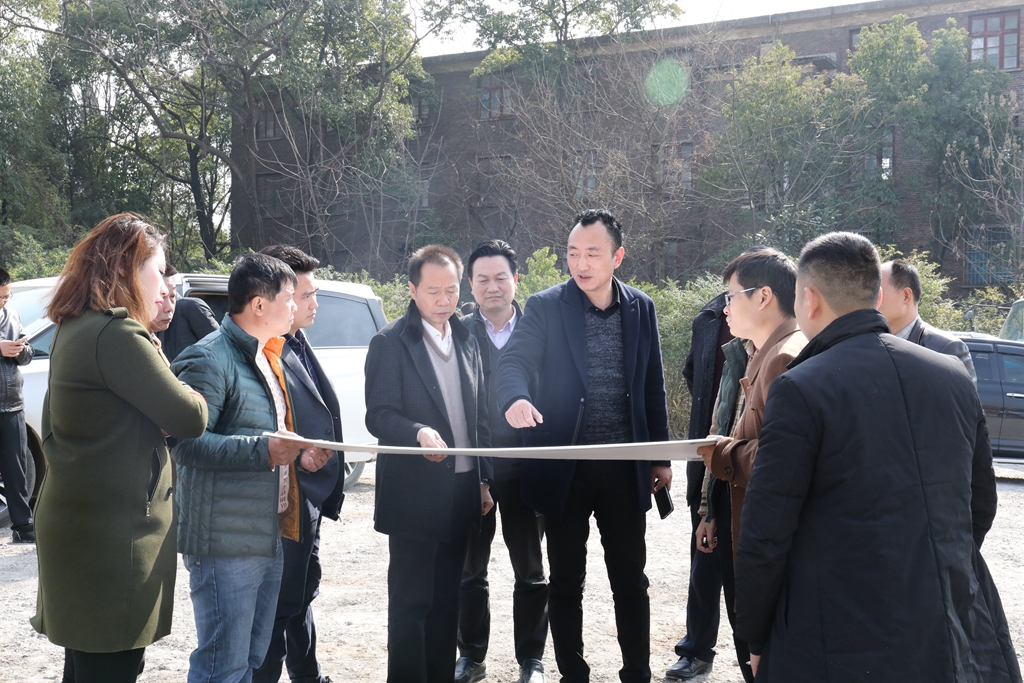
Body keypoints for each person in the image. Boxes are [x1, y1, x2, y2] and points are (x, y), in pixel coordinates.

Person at [735, 232, 1022, 682]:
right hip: (947, 625)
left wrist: (755, 635)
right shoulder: (950, 375)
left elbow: (767, 529)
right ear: (876, 296)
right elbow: (980, 502)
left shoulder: (801, 387)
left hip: (837, 631)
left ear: (810, 299)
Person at [30, 214, 209, 682]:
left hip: (84, 525)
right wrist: (190, 395)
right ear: (129, 268)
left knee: (86, 665)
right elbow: (189, 418)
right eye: (159, 270)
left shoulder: (77, 325)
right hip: (112, 537)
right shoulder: (117, 334)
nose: (165, 286)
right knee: (111, 666)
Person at [495, 209, 671, 683]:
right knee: (566, 581)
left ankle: (637, 672)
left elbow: (651, 386)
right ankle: (573, 673)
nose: (581, 263)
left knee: (630, 580)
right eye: (573, 253)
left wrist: (659, 457)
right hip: (564, 469)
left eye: (593, 253)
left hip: (624, 468)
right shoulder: (546, 306)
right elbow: (513, 363)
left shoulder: (641, 307)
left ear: (618, 256)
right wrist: (515, 398)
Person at [172, 253, 333, 683]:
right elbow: (186, 444)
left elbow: (265, 437)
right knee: (221, 665)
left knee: (250, 661)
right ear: (259, 305)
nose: (296, 306)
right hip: (224, 541)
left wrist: (299, 457)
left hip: (265, 532)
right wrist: (264, 452)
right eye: (289, 297)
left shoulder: (268, 353)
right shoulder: (208, 358)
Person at [364, 244, 494, 683]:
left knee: (446, 601)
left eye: (451, 290)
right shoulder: (389, 342)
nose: (443, 300)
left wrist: (483, 481)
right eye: (433, 291)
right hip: (414, 495)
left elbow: (479, 417)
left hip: (461, 490)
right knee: (411, 603)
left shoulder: (467, 338)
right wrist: (417, 431)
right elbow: (379, 414)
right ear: (412, 290)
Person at [692, 247, 805, 683]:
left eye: (731, 296)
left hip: (763, 532)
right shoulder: (759, 352)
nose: (724, 308)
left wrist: (718, 451)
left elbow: (780, 461)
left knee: (763, 653)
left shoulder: (785, 358)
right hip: (742, 515)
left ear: (763, 297)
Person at [456, 240, 548, 683]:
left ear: (516, 280)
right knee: (469, 571)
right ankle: (471, 656)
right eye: (482, 279)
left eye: (500, 278)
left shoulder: (540, 331)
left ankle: (532, 660)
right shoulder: (456, 334)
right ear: (470, 285)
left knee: (531, 570)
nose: (492, 287)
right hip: (475, 470)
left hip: (527, 470)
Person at [253, 245, 346, 683]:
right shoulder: (263, 353)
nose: (312, 304)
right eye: (304, 295)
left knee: (301, 592)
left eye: (312, 294)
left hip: (309, 492)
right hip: (283, 497)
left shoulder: (297, 341)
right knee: (278, 604)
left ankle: (308, 675)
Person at [665, 292, 732, 680]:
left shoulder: (790, 318)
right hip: (707, 453)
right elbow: (694, 373)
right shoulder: (709, 317)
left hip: (757, 460)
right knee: (705, 552)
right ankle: (696, 649)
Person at [878, 259, 977, 383]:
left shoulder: (946, 349)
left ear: (906, 296)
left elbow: (962, 396)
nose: (871, 299)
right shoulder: (868, 344)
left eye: (878, 292)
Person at [0, 266, 35, 543]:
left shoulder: (12, 315)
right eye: (0, 297)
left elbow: (29, 353)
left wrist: (22, 351)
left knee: (17, 469)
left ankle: (23, 527)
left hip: (12, 403)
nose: (4, 301)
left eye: (6, 296)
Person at [156, 264, 220, 363]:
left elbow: (224, 350)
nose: (169, 308)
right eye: (161, 297)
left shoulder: (192, 308)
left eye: (172, 296)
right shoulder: (143, 329)